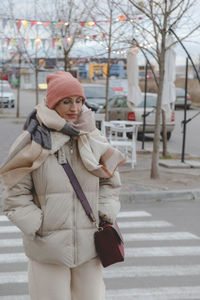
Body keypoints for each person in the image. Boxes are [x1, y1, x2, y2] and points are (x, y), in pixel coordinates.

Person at [0, 71, 125, 300]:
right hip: (48, 250)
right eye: (66, 101)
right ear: (53, 103)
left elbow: (110, 181)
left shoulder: (92, 137)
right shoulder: (34, 141)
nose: (74, 108)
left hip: (90, 247)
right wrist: (39, 225)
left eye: (79, 101)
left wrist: (104, 213)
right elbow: (14, 194)